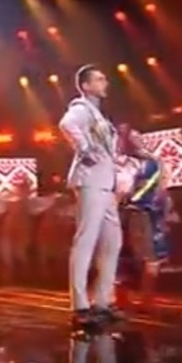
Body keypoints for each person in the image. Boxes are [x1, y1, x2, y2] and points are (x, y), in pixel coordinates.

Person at [59, 64, 124, 329]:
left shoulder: (98, 114)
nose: (104, 82)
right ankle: (80, 305)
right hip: (90, 180)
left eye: (104, 78)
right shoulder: (81, 108)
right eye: (99, 79)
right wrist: (85, 148)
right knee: (86, 240)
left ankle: (103, 301)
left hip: (105, 183)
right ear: (85, 86)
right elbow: (66, 124)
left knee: (113, 241)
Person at [116, 130, 170, 308]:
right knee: (124, 256)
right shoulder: (120, 163)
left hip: (145, 214)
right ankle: (126, 298)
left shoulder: (152, 163)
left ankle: (146, 299)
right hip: (128, 215)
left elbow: (161, 189)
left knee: (148, 257)